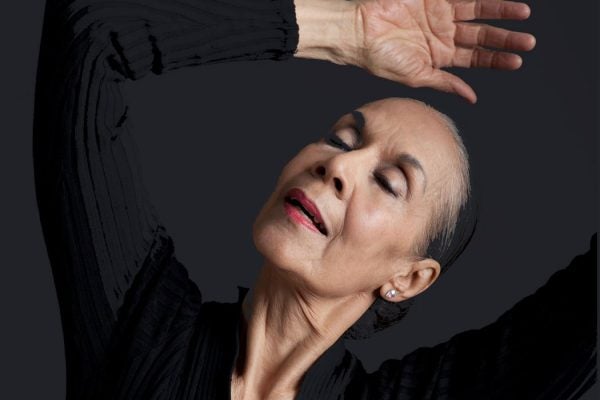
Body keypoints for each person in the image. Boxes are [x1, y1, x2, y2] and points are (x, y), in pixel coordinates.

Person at [33, 0, 595, 399]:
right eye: (340, 138)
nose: (339, 165)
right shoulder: (141, 322)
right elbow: (88, 31)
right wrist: (343, 29)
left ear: (411, 278)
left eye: (389, 181)